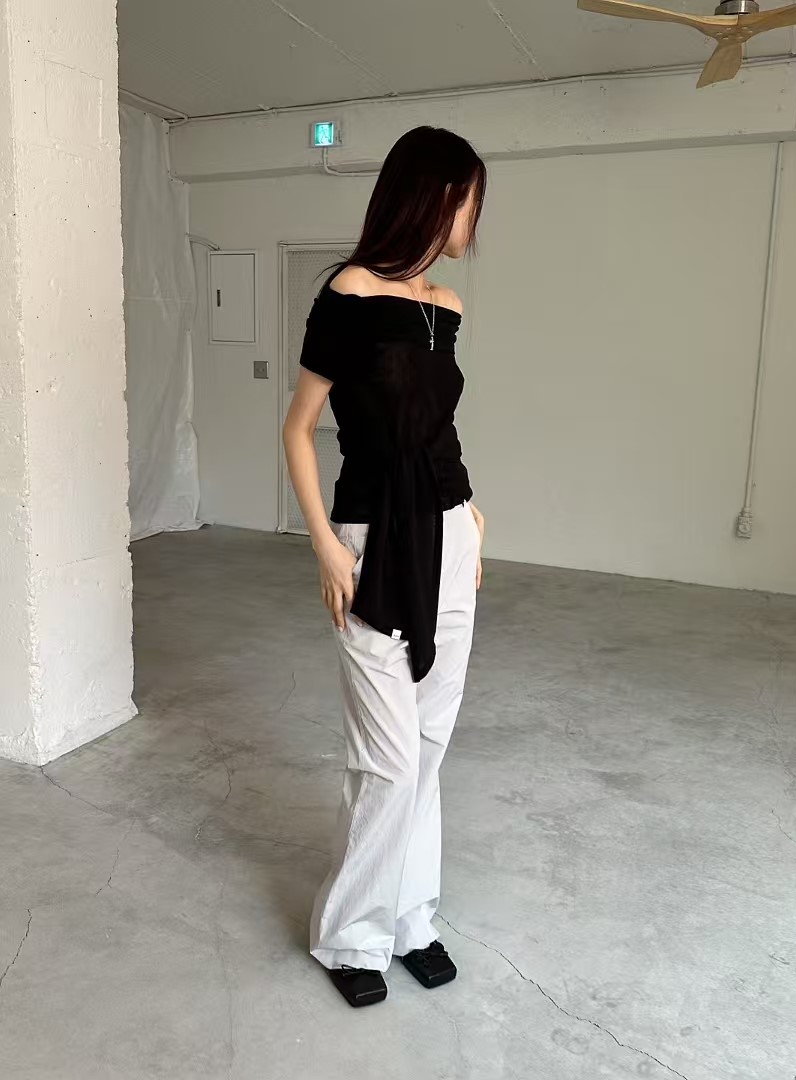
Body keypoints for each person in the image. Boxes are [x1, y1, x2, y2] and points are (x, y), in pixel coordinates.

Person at [283, 125, 487, 1008]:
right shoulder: (349, 292)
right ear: (433, 198)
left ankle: (411, 919)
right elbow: (299, 428)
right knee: (390, 759)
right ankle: (351, 938)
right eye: (469, 200)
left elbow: (437, 429)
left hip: (451, 531)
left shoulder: (447, 305)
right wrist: (325, 543)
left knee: (430, 746)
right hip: (372, 537)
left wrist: (470, 506)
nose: (476, 219)